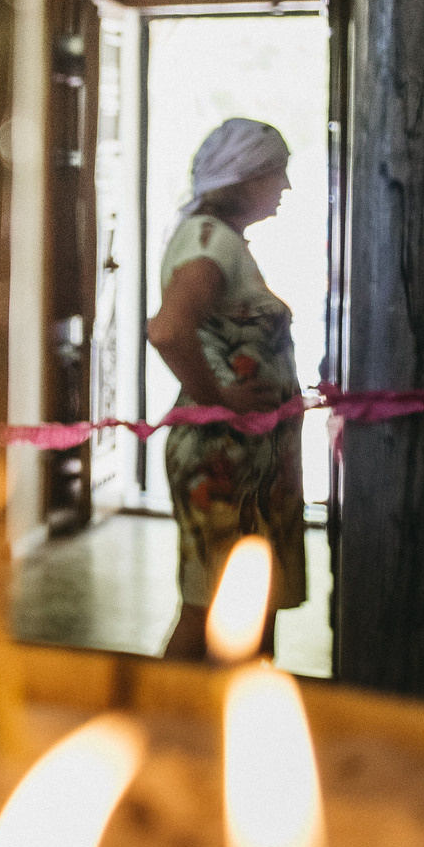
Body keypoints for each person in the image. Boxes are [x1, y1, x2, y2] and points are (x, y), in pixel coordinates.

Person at [145, 118, 303, 661]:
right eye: (277, 174)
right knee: (215, 602)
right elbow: (167, 329)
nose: (285, 187)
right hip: (224, 456)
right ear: (246, 177)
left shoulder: (220, 241)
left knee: (243, 602)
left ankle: (230, 719)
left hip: (246, 460)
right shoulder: (209, 241)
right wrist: (223, 400)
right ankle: (173, 725)